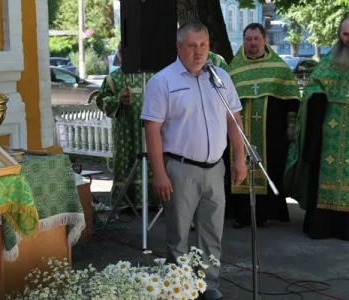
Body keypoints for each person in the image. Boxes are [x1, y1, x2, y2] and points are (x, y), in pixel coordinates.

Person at [141, 20, 246, 300]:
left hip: (215, 168)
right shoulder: (162, 81)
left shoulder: (220, 77)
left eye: (203, 45)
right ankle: (178, 289)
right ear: (179, 47)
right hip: (179, 169)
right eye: (191, 46)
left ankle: (208, 286)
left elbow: (233, 120)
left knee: (212, 234)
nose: (198, 52)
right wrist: (159, 173)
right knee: (178, 237)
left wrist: (240, 159)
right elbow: (152, 129)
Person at [227, 23, 301, 229]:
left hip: (271, 133)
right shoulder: (234, 69)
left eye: (256, 39)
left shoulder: (279, 68)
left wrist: (291, 124)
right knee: (240, 168)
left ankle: (266, 214)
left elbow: (292, 99)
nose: (252, 43)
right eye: (248, 39)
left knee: (270, 169)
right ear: (243, 41)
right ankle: (241, 215)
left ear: (264, 40)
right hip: (240, 131)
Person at [285, 16, 349, 240]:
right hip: (329, 131)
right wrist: (317, 94)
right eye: (345, 34)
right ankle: (323, 226)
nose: (348, 39)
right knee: (324, 175)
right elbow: (314, 84)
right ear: (339, 35)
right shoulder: (330, 60)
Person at [96, 43, 158, 208]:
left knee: (154, 160)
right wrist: (118, 101)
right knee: (127, 161)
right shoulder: (114, 77)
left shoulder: (154, 75)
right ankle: (125, 201)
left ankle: (153, 200)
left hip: (151, 131)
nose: (126, 54)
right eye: (123, 51)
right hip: (125, 131)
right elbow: (101, 100)